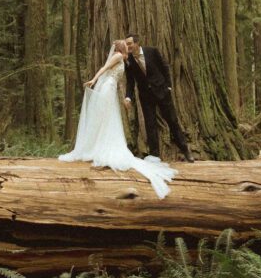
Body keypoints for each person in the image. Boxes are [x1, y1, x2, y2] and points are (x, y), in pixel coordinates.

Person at [58, 39, 177, 199]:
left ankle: (100, 144)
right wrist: (94, 79)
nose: (127, 47)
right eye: (125, 45)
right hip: (107, 88)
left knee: (108, 118)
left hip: (111, 89)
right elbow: (104, 68)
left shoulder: (123, 59)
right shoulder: (118, 57)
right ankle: (99, 146)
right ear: (121, 48)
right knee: (106, 118)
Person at [124, 34, 194, 162]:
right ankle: (155, 156)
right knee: (150, 125)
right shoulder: (127, 60)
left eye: (130, 43)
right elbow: (130, 81)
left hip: (162, 92)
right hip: (145, 96)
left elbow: (165, 67)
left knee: (172, 121)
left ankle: (185, 150)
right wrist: (128, 97)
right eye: (126, 44)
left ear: (137, 43)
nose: (128, 46)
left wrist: (168, 86)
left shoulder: (152, 51)